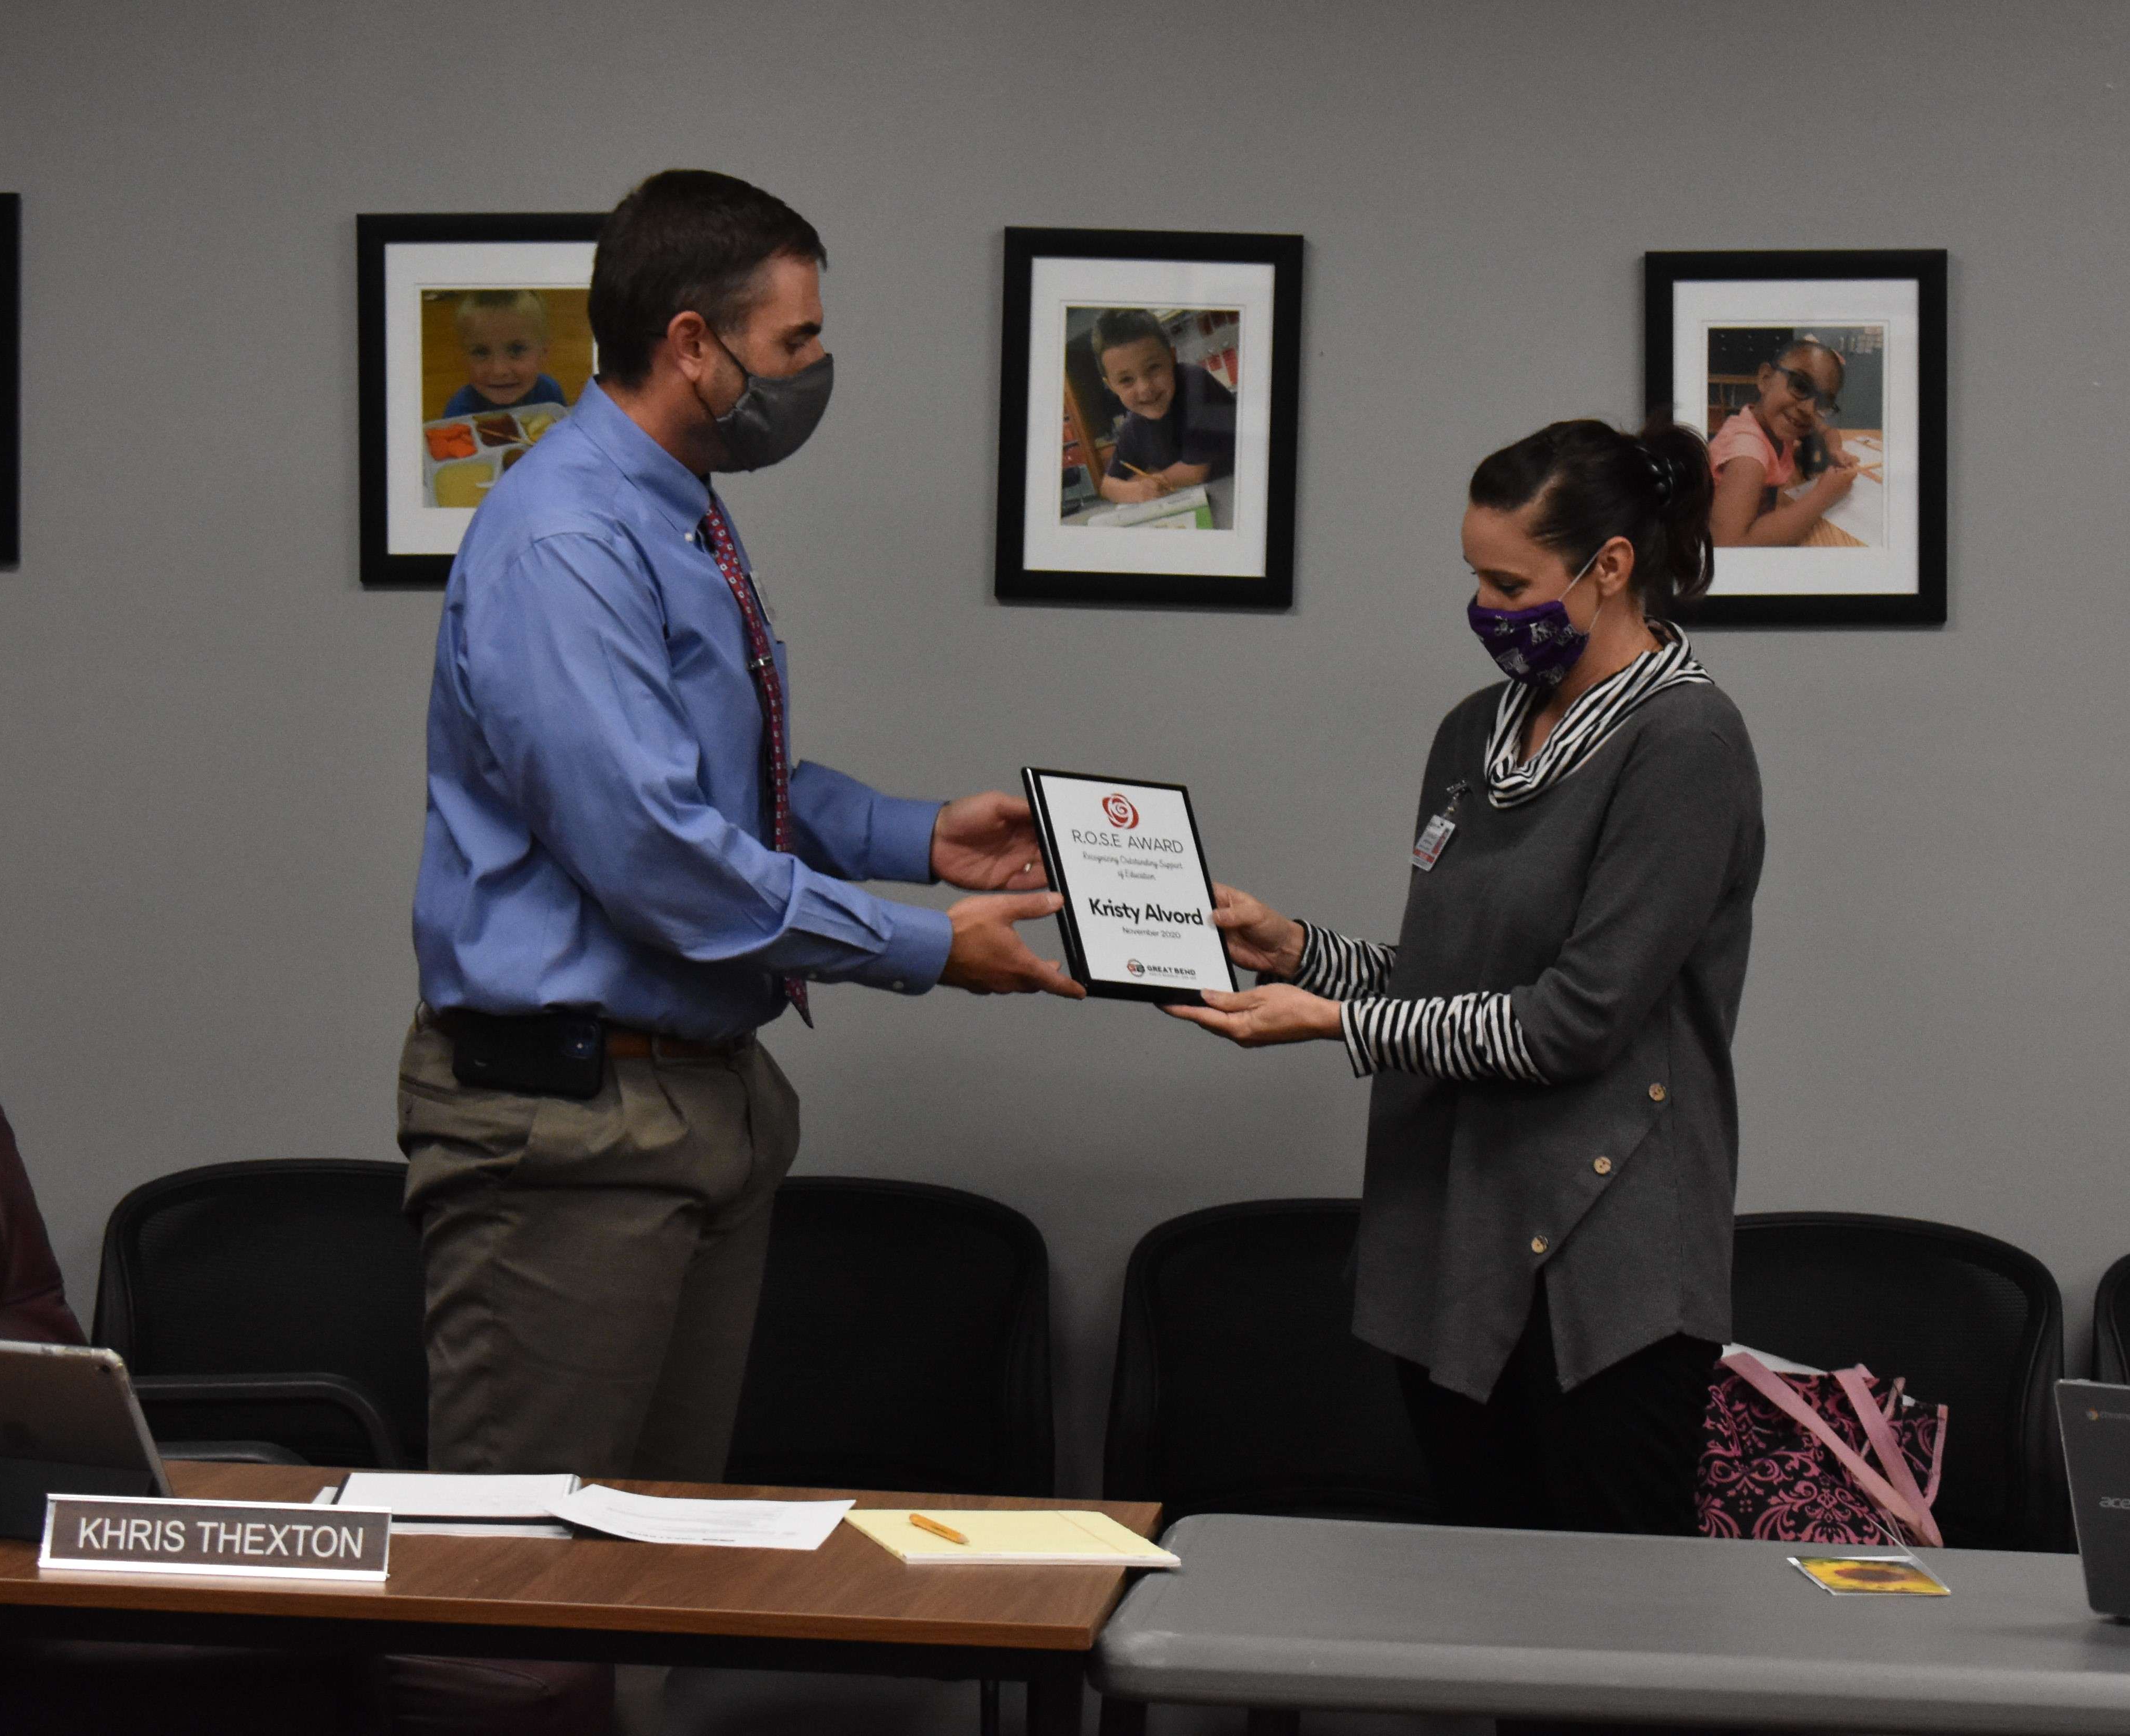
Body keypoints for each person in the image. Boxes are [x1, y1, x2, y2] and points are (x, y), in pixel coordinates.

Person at [402, 169, 1083, 1490]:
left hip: (690, 1104)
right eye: (796, 339)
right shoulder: (566, 540)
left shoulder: (675, 508)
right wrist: (926, 947)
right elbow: (654, 852)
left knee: (663, 1554)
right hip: (572, 1125)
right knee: (521, 1576)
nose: (816, 369)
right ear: (692, 345)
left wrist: (915, 834)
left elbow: (719, 783)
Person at [1168, 416, 1764, 1549]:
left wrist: (1337, 1022)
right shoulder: (1471, 736)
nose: (1485, 608)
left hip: (1605, 1270)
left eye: (1509, 583)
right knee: (1475, 1605)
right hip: (1455, 1239)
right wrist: (1297, 951)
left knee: (1607, 1624)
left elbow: (1572, 1021)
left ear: (1611, 567)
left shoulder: (1685, 743)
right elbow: (1450, 984)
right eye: (1475, 579)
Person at [1708, 337, 1857, 546]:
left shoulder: (1772, 420)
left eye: (1823, 402)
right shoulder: (1748, 456)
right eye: (1800, 386)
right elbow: (1728, 545)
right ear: (1766, 378)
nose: (1808, 410)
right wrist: (1824, 495)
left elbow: (1827, 431)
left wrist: (1835, 451)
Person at [1089, 309, 1236, 504]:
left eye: (1153, 368)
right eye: (1126, 380)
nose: (1145, 388)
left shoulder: (1196, 383)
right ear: (1111, 386)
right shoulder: (1133, 426)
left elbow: (1196, 471)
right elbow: (1107, 487)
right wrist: (1138, 490)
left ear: (1172, 358)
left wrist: (1149, 481)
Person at [440, 289, 568, 417]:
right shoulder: (459, 412)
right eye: (481, 352)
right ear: (464, 358)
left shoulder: (550, 393)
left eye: (517, 350)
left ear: (543, 352)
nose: (499, 371)